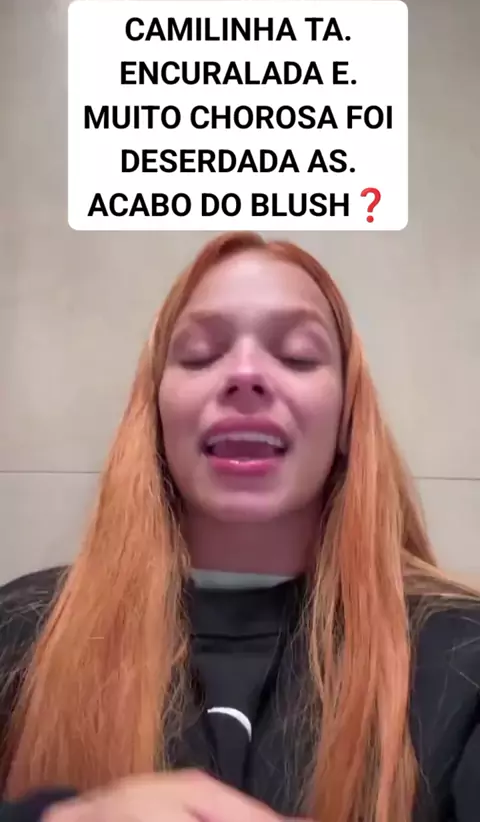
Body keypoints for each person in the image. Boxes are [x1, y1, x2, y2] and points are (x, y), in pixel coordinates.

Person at [0, 230, 479, 822]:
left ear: (347, 417)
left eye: (298, 356)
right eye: (201, 354)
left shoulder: (464, 654)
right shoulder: (21, 631)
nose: (246, 373)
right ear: (155, 412)